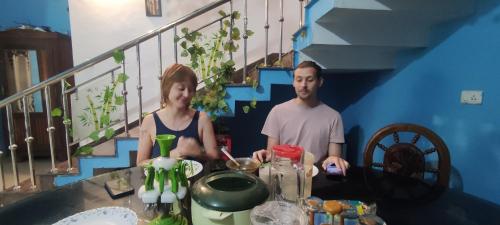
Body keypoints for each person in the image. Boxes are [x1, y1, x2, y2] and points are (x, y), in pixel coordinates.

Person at [252, 61, 350, 175]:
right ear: (293, 82)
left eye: (310, 80)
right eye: (299, 80)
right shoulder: (277, 111)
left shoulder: (334, 116)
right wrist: (264, 155)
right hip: (284, 175)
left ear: (320, 82)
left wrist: (334, 160)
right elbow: (272, 153)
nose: (303, 85)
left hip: (316, 176)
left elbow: (334, 158)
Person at [137, 64, 218, 165]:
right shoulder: (150, 121)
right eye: (181, 88)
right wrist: (175, 153)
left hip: (196, 180)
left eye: (191, 90)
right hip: (162, 180)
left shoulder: (202, 119)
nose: (187, 94)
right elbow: (140, 164)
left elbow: (215, 160)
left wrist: (199, 154)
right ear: (167, 88)